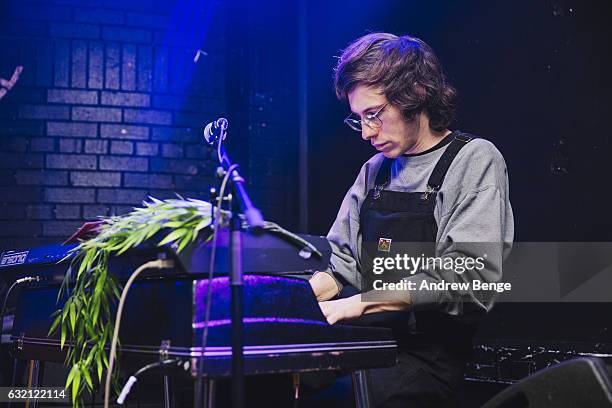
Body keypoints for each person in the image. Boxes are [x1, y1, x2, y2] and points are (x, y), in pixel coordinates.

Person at [308, 33, 514, 407]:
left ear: (415, 93)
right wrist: (286, 301)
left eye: (374, 114)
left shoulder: (473, 160)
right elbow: (341, 268)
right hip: (367, 349)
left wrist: (357, 305)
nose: (367, 132)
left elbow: (470, 275)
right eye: (359, 119)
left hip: (428, 362)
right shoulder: (375, 171)